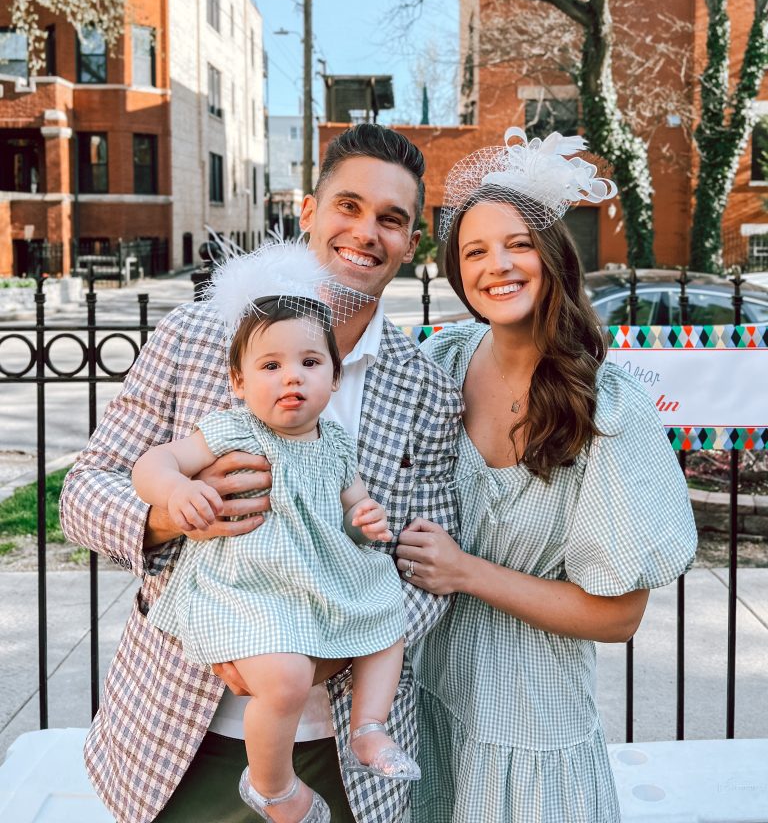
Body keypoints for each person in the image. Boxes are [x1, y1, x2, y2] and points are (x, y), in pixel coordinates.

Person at [59, 123, 462, 823]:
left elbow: (431, 567)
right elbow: (86, 488)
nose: (366, 232)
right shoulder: (197, 336)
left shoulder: (424, 386)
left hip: (340, 752)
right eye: (349, 206)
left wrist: (334, 653)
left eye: (391, 220)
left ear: (409, 242)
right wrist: (167, 513)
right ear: (308, 212)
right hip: (180, 727)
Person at [394, 128, 698, 823]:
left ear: (555, 257)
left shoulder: (609, 411)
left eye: (517, 244)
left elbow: (619, 615)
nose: (496, 265)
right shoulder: (444, 361)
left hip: (529, 730)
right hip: (429, 705)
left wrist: (465, 571)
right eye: (475, 251)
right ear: (456, 273)